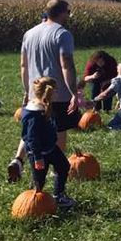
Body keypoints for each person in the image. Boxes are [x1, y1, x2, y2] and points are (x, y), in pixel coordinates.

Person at [8, 0, 78, 183]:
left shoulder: (29, 33)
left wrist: (27, 90)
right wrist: (73, 92)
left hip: (35, 90)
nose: (69, 16)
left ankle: (18, 159)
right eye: (68, 12)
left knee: (32, 129)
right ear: (62, 13)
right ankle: (56, 171)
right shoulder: (62, 34)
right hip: (57, 93)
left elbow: (23, 65)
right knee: (59, 130)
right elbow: (66, 65)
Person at [21, 76, 75, 208]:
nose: (57, 93)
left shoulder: (44, 106)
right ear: (51, 92)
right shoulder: (35, 114)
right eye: (56, 91)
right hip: (38, 152)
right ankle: (35, 204)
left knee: (64, 166)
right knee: (40, 180)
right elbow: (32, 138)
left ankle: (58, 196)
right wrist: (38, 158)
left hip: (50, 147)